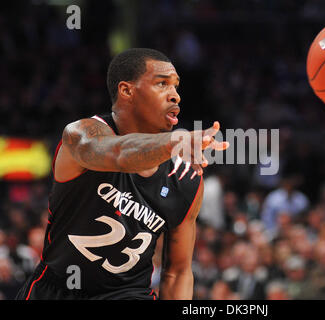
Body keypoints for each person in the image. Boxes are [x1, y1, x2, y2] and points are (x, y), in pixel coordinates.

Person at [16, 48, 228, 300]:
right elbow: (119, 155)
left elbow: (177, 272)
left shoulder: (187, 178)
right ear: (126, 91)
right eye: (162, 84)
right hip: (56, 290)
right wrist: (174, 141)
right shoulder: (81, 133)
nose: (175, 96)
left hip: (127, 295)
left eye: (176, 87)